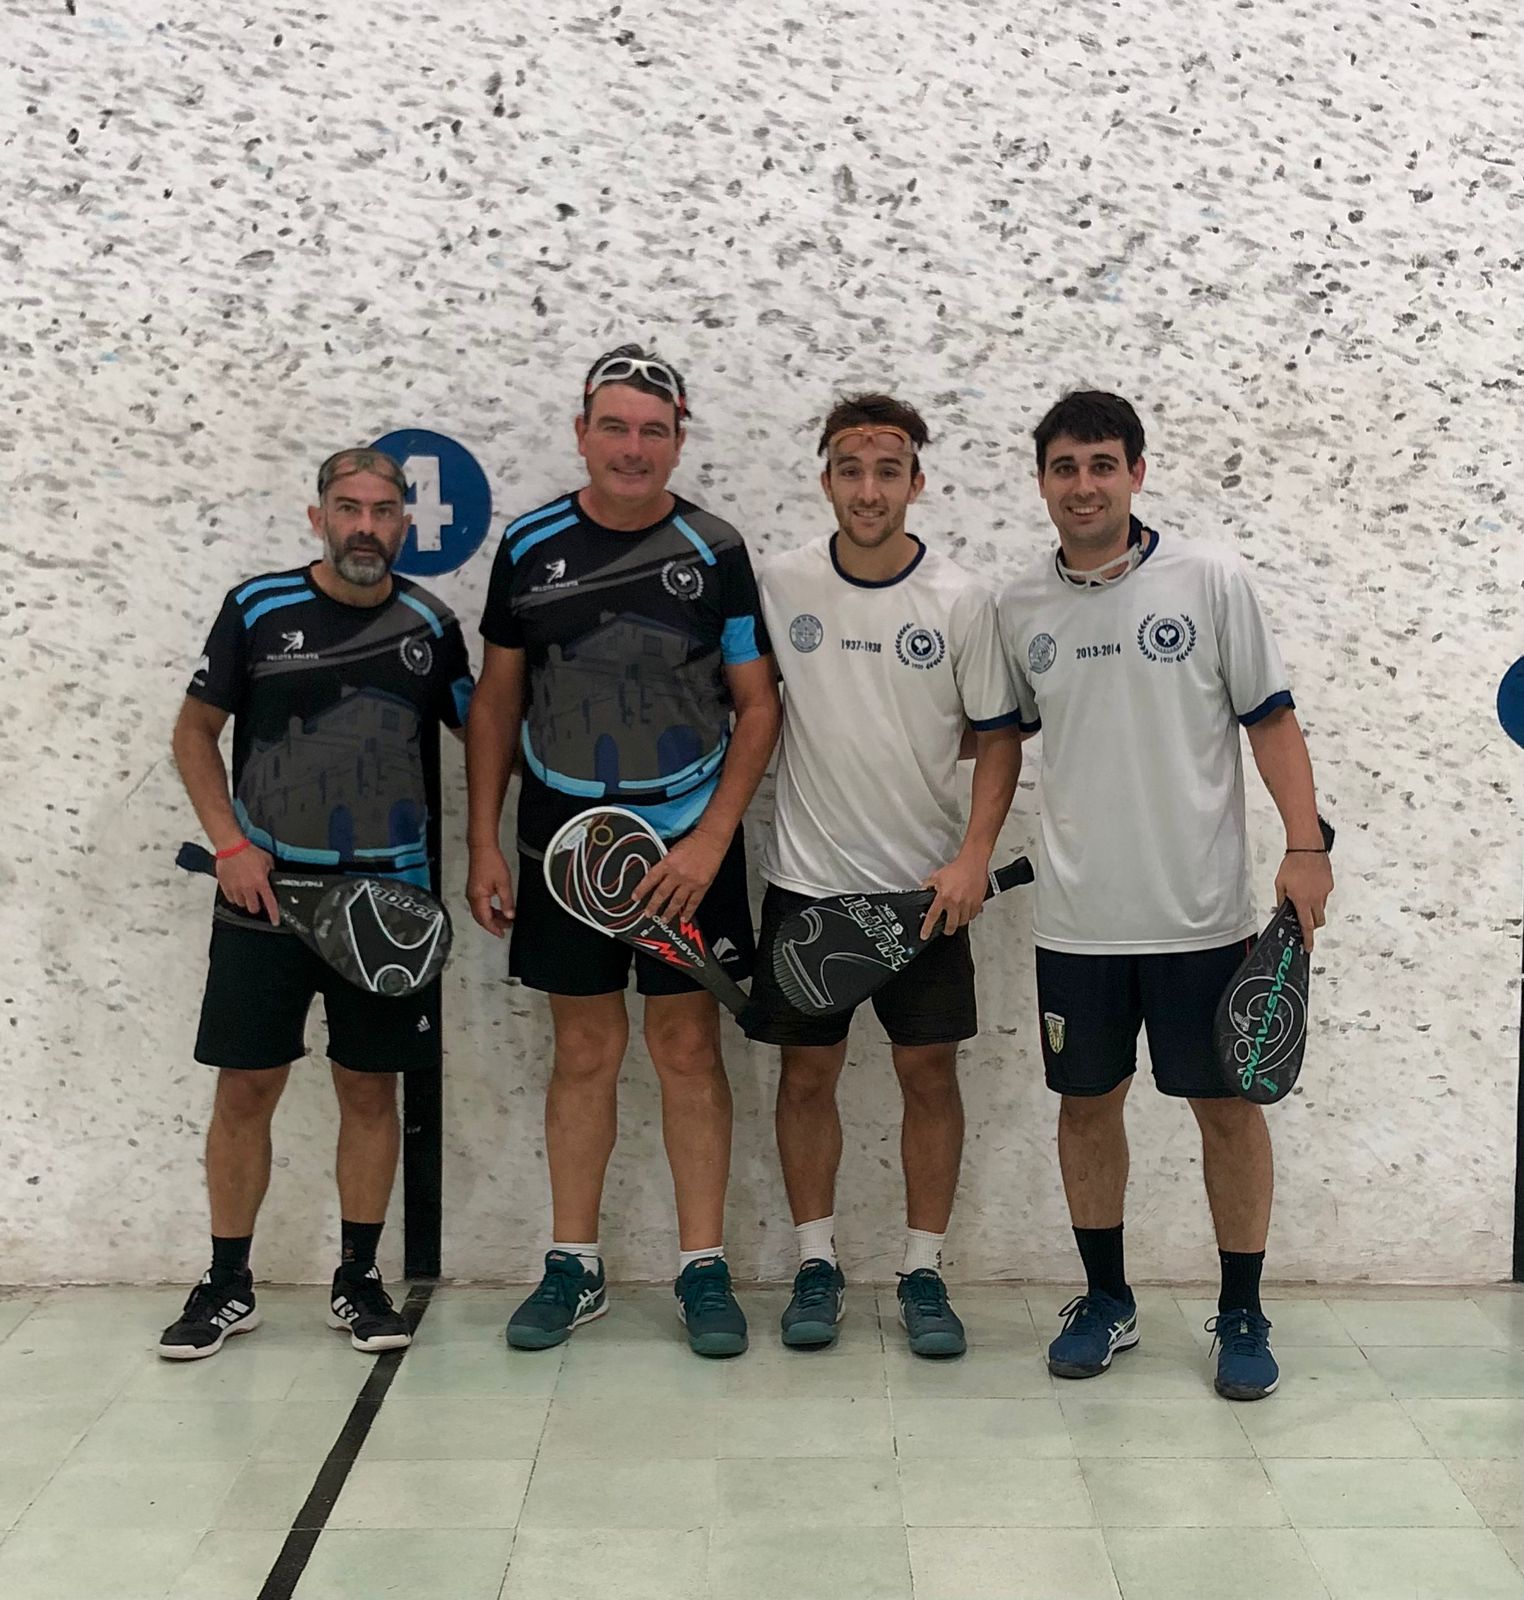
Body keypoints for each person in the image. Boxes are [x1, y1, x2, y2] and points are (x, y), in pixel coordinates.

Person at [999, 391, 1334, 1400]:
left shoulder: (1209, 581)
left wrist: (1305, 845)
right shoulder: (1021, 606)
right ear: (1042, 481)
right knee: (1085, 1106)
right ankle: (1107, 1301)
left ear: (1136, 473)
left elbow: (1270, 720)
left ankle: (1243, 1312)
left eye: (1103, 464)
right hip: (1077, 921)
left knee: (1226, 1111)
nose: (1085, 485)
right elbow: (998, 738)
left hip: (1200, 918)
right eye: (1065, 466)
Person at [466, 345, 780, 1357]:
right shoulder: (529, 546)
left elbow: (758, 704)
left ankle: (703, 1268)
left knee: (687, 1049)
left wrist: (712, 841)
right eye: (615, 426)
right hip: (561, 845)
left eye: (654, 430)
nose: (633, 447)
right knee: (585, 1050)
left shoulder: (715, 549)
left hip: (689, 845)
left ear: (679, 440)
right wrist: (483, 840)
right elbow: (497, 700)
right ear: (582, 433)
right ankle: (575, 1265)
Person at [160, 448, 474, 1360]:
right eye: (348, 508)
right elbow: (193, 733)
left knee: (370, 1090)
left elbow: (487, 730)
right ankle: (227, 1283)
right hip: (264, 899)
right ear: (319, 518)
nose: (365, 526)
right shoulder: (258, 608)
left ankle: (359, 1280)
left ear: (404, 524)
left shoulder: (432, 623)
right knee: (246, 1087)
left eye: (382, 510)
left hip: (388, 907)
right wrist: (230, 845)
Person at [741, 394, 1023, 1357]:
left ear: (916, 482)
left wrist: (973, 856)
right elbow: (751, 708)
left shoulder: (961, 598)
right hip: (806, 882)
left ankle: (923, 1271)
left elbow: (996, 738)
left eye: (888, 471)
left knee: (928, 1073)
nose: (869, 490)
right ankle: (815, 1262)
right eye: (851, 470)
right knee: (806, 1073)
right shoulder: (781, 584)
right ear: (826, 480)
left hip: (924, 892)